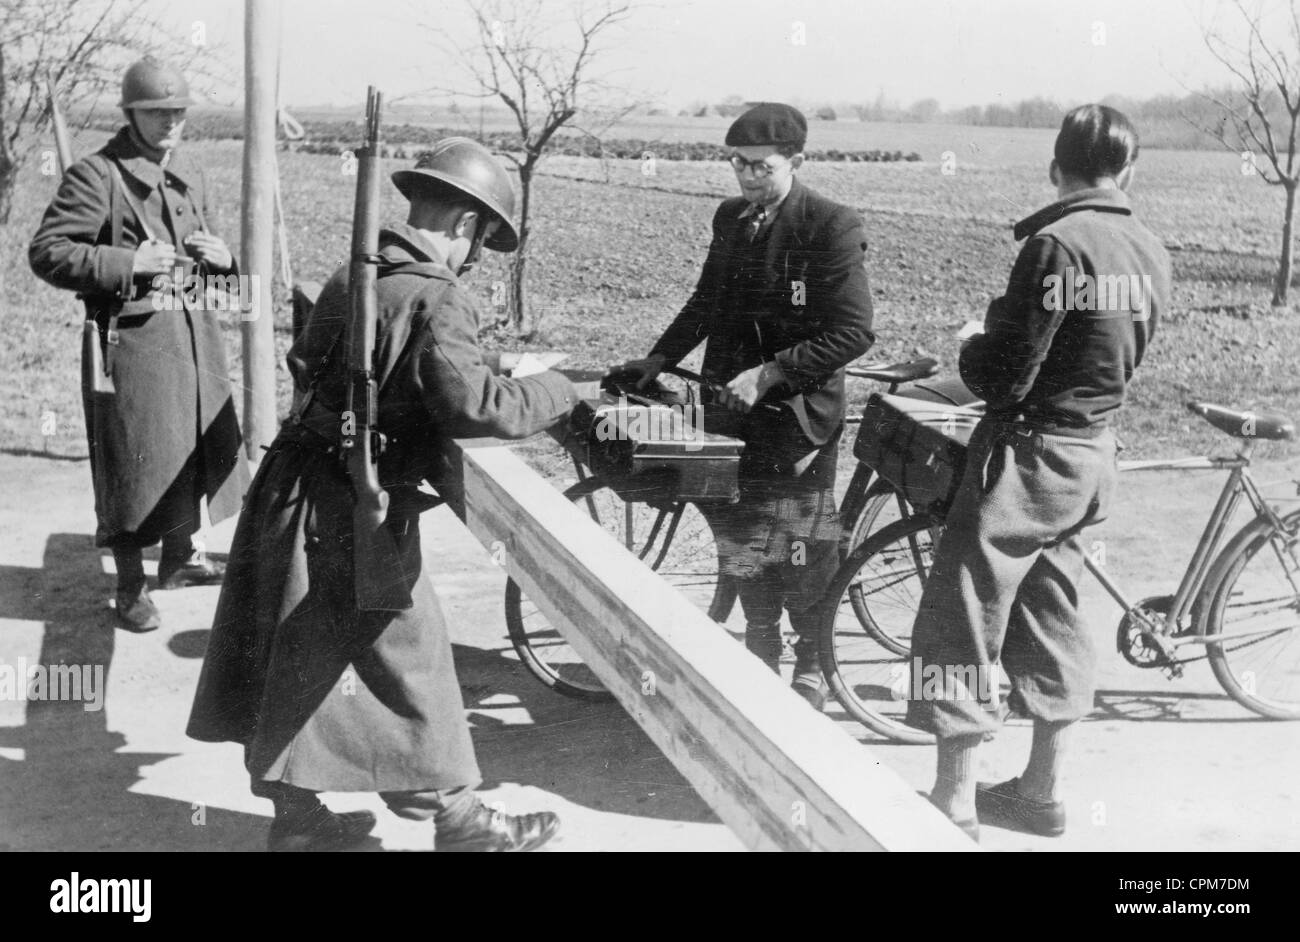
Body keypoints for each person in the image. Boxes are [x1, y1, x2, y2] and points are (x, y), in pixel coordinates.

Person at [187, 138, 593, 852]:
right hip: (353, 506)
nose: (472, 259)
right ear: (465, 227)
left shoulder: (357, 274)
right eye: (479, 244)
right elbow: (478, 407)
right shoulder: (436, 294)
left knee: (301, 652)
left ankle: (299, 820)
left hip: (294, 491)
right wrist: (563, 389)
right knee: (410, 654)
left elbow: (379, 360)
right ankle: (461, 822)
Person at [906, 105, 1171, 841]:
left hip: (1027, 456)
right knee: (1054, 612)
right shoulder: (1149, 246)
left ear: (1056, 168)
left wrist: (973, 345)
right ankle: (1039, 790)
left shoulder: (1056, 244)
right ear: (1129, 170)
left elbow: (1007, 375)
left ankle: (953, 801)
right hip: (1092, 455)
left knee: (962, 613)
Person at [613, 103, 875, 709]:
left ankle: (812, 661)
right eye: (738, 164)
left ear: (797, 162)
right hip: (729, 410)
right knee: (740, 528)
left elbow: (854, 332)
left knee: (800, 539)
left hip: (798, 416)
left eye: (762, 166)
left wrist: (771, 372)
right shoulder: (732, 219)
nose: (748, 176)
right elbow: (707, 301)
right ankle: (761, 645)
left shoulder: (830, 225)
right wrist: (658, 358)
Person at [29, 57, 247, 633]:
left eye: (178, 112)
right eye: (157, 113)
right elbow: (48, 252)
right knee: (132, 461)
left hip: (195, 336)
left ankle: (178, 561)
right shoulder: (96, 175)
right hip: (130, 343)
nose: (170, 122)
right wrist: (129, 262)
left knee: (192, 452)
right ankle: (129, 587)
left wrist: (226, 262)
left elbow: (219, 273)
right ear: (130, 113)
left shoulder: (193, 171)